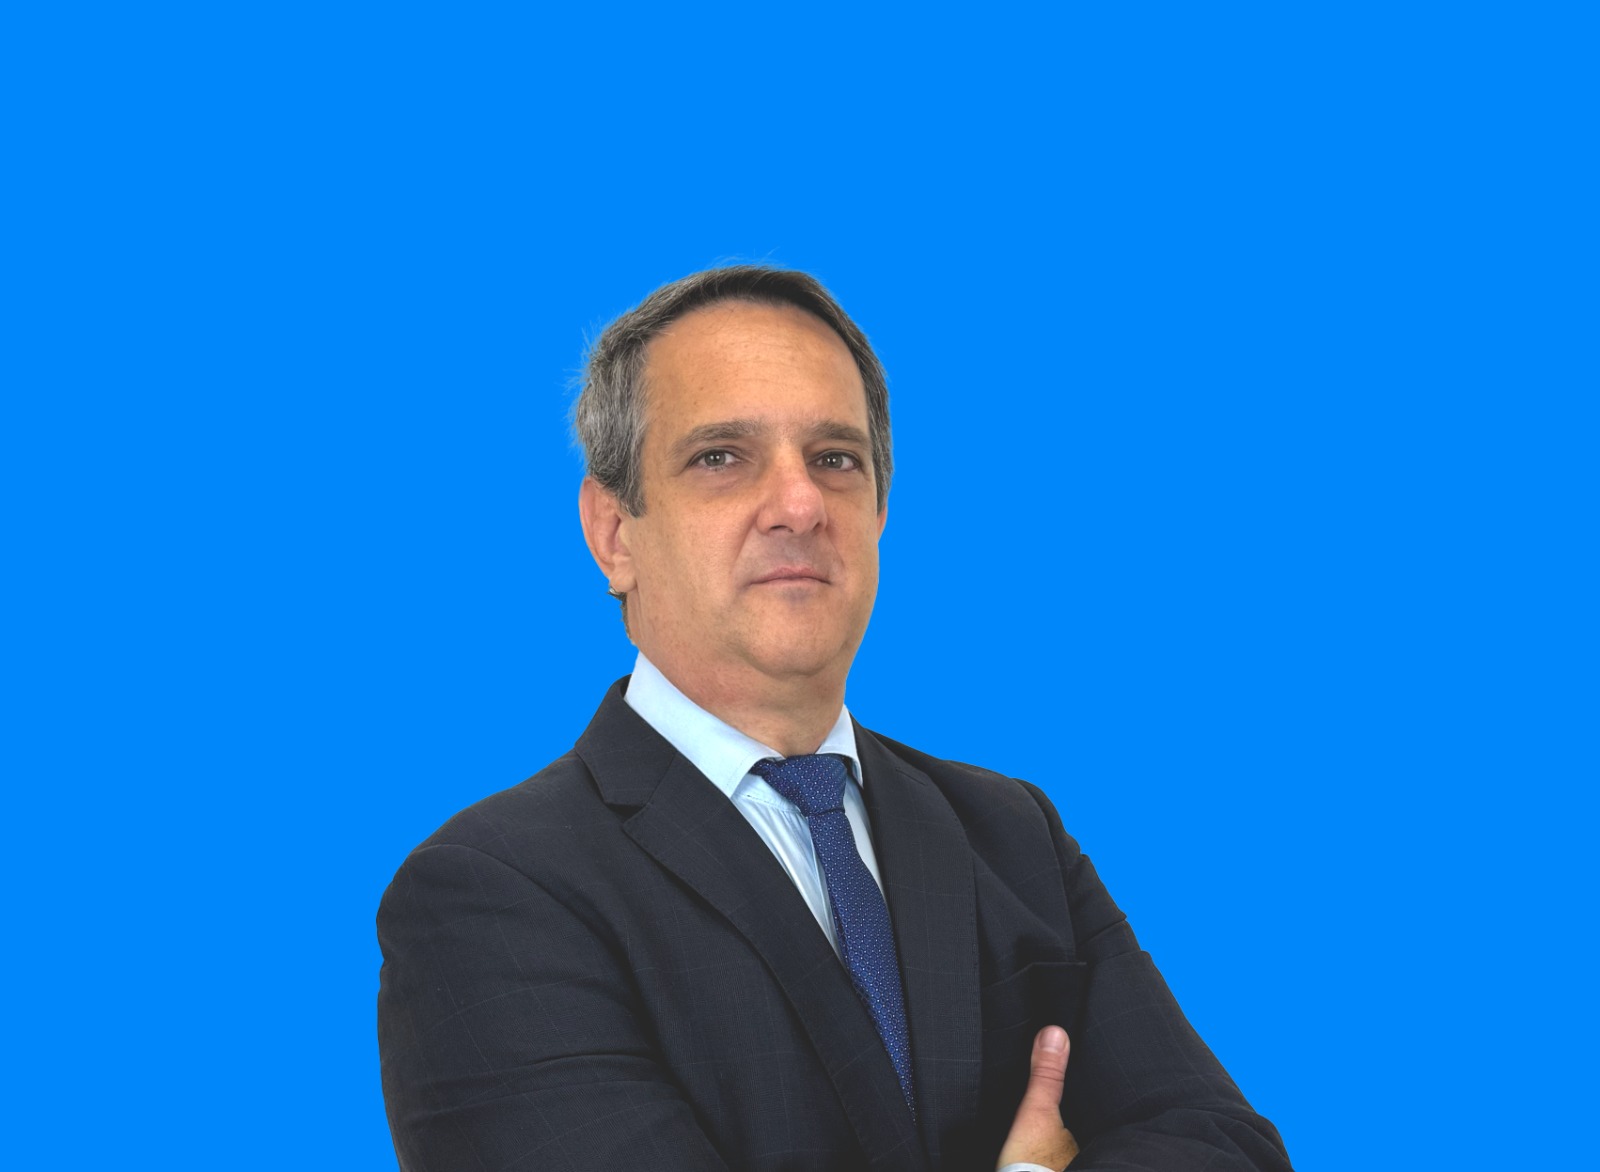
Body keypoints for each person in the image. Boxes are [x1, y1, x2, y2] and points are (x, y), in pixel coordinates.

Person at [377, 266, 1293, 1172]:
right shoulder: (492, 894)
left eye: (835, 459)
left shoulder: (1014, 835)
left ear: (880, 510)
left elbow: (1227, 1150)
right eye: (721, 457)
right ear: (614, 534)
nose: (800, 504)